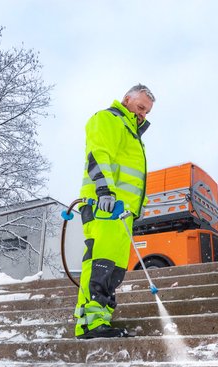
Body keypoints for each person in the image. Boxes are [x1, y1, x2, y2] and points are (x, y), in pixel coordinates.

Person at [74, 84, 155, 339]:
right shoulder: (109, 119)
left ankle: (101, 318)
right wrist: (104, 191)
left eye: (147, 111)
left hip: (122, 212)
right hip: (104, 205)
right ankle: (88, 323)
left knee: (115, 268)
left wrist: (138, 207)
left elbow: (132, 178)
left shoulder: (133, 135)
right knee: (101, 262)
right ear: (127, 99)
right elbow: (98, 155)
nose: (143, 114)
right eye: (140, 107)